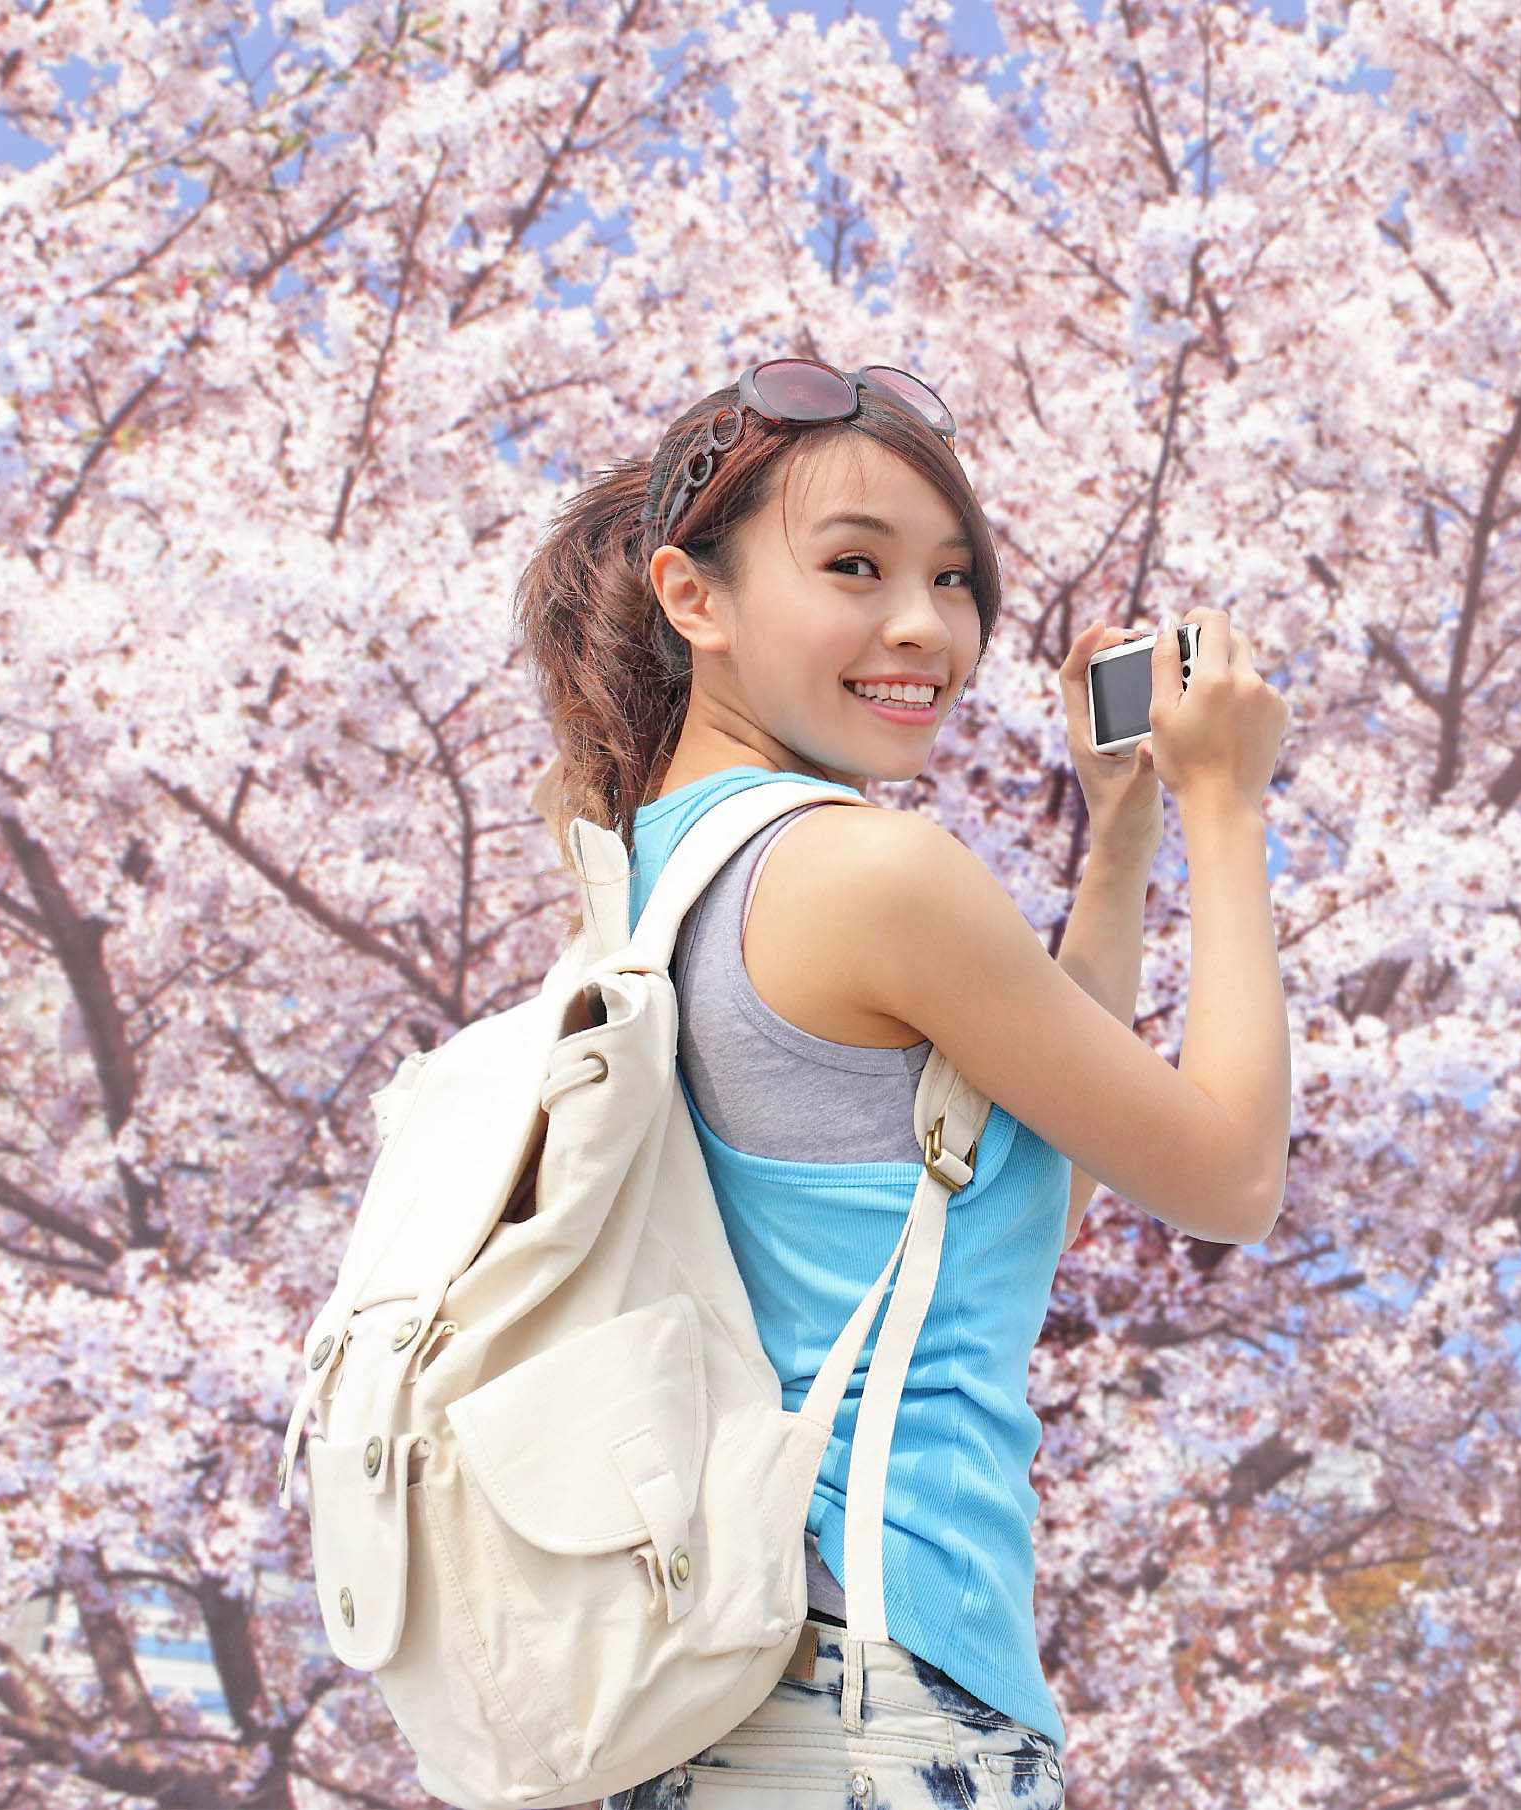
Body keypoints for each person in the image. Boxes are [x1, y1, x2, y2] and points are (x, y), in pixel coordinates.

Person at [513, 359, 1293, 1809]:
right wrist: (1225, 805)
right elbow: (1233, 1178)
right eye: (854, 567)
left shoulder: (647, 884)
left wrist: (1114, 843)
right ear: (695, 597)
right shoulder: (868, 869)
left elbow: (1003, 1213)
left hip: (704, 1698)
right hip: (883, 1687)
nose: (924, 627)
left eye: (952, 577)